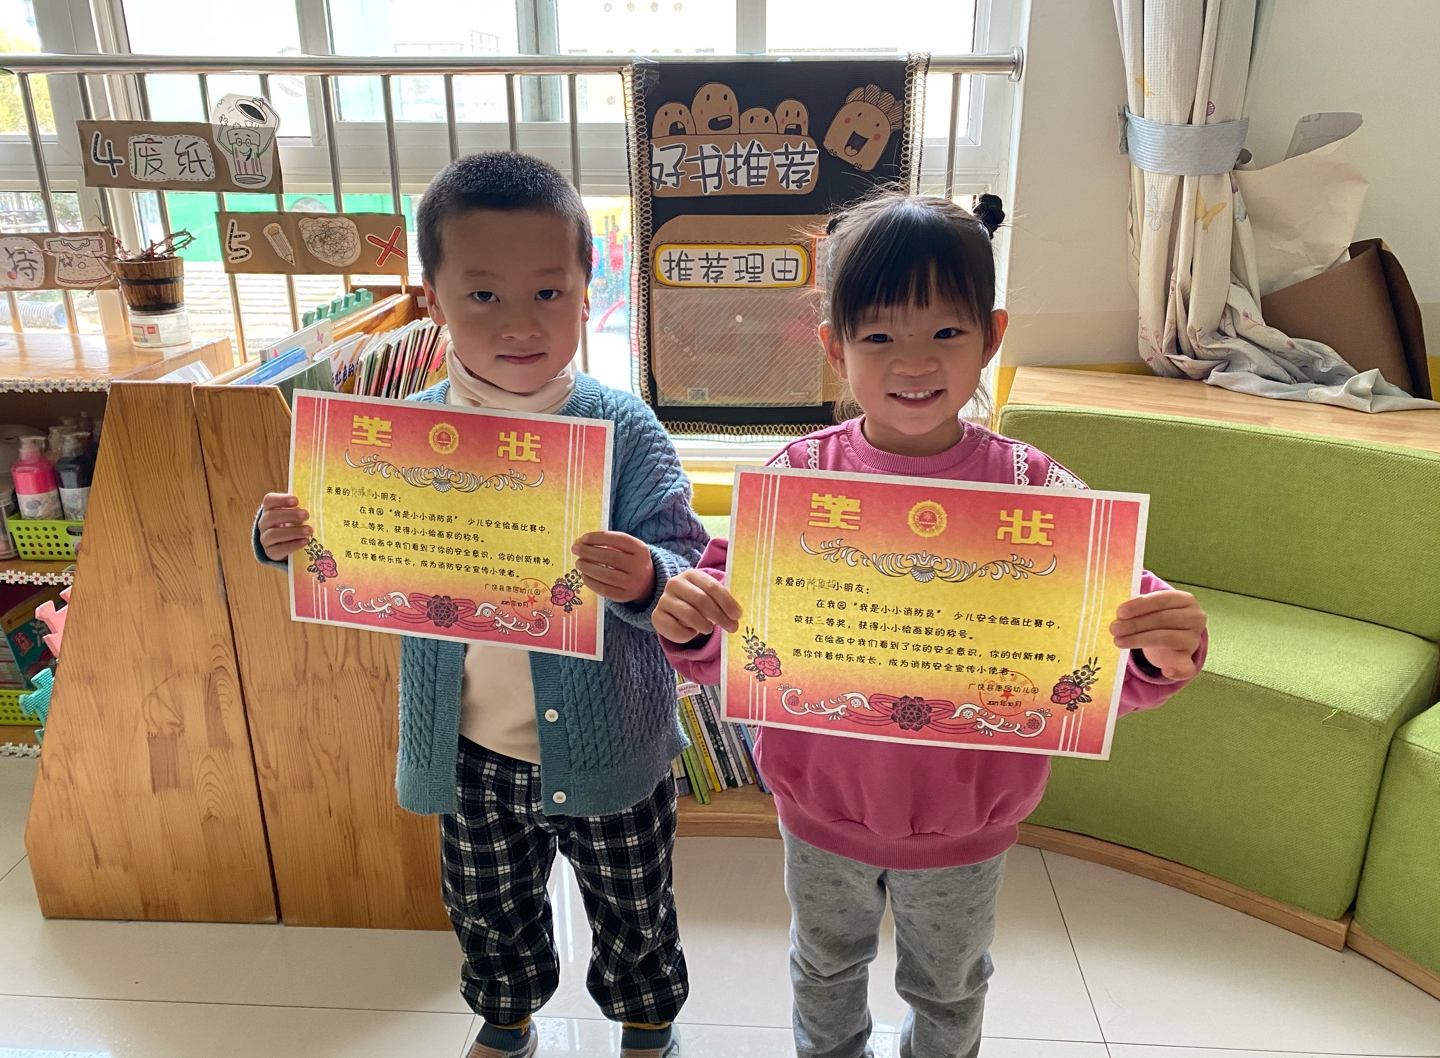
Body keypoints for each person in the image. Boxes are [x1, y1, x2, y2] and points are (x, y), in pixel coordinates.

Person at [653, 192, 1209, 1058]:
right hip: (820, 808)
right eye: (879, 335)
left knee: (948, 984)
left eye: (946, 331)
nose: (914, 361)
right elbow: (730, 631)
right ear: (834, 348)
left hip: (965, 823)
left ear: (991, 336)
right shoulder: (797, 478)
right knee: (823, 968)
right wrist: (691, 625)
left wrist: (1163, 652)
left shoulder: (1038, 491)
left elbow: (1110, 642)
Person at [255, 152, 705, 1058]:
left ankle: (647, 1024)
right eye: (484, 295)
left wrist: (648, 578)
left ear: (588, 287)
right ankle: (507, 1020)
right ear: (433, 300)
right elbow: (342, 551)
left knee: (634, 902)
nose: (519, 323)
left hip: (611, 742)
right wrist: (282, 540)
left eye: (548, 292)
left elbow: (684, 563)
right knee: (487, 903)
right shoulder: (393, 432)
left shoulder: (625, 427)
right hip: (468, 747)